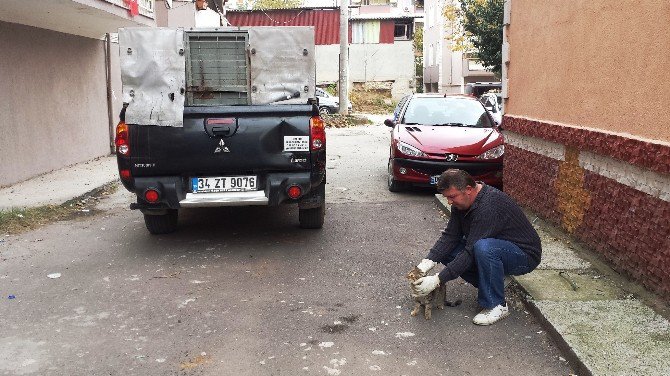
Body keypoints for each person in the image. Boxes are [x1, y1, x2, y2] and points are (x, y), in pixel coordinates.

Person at [411, 169, 541, 325]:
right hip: (498, 248)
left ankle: (496, 305)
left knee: (484, 248)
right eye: (447, 198)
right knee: (447, 251)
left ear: (468, 189)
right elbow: (450, 237)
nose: (450, 202)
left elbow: (471, 251)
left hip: (524, 255)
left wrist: (437, 280)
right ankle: (495, 281)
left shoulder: (489, 206)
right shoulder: (462, 203)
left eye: (452, 197)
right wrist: (424, 266)